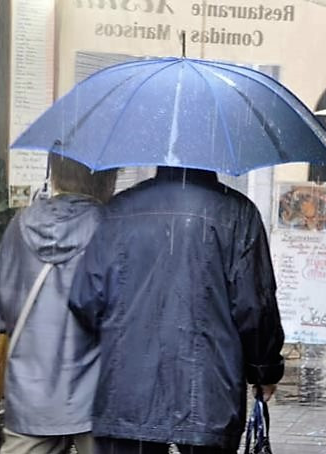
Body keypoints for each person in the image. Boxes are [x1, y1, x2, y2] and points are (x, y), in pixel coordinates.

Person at [69, 166, 285, 454]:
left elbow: (86, 299)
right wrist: (263, 371)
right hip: (209, 396)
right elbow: (255, 307)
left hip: (127, 394)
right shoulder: (239, 214)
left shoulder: (118, 210)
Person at [0, 156, 117, 454]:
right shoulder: (111, 227)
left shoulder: (19, 225)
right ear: (108, 180)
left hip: (31, 394)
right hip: (96, 396)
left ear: (54, 175)